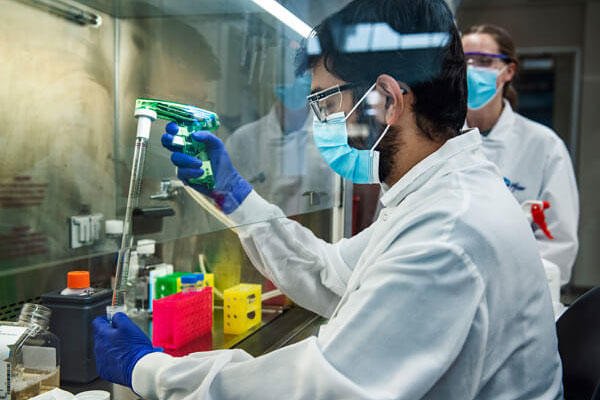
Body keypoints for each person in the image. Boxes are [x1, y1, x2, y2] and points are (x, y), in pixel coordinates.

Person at [93, 1, 563, 398]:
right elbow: (330, 274)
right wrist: (234, 195)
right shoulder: (438, 194)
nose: (319, 120)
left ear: (386, 100)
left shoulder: (448, 230)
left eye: (324, 101)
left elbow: (322, 386)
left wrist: (149, 370)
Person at [462, 24, 579, 287]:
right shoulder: (438, 140)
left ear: (508, 71)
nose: (470, 69)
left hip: (513, 297)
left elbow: (557, 245)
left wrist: (501, 286)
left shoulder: (544, 147)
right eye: (463, 61)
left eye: (483, 61)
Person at [226, 70, 335, 216]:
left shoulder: (333, 139)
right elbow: (226, 202)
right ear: (277, 86)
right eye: (296, 76)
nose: (303, 82)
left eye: (306, 75)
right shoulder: (243, 141)